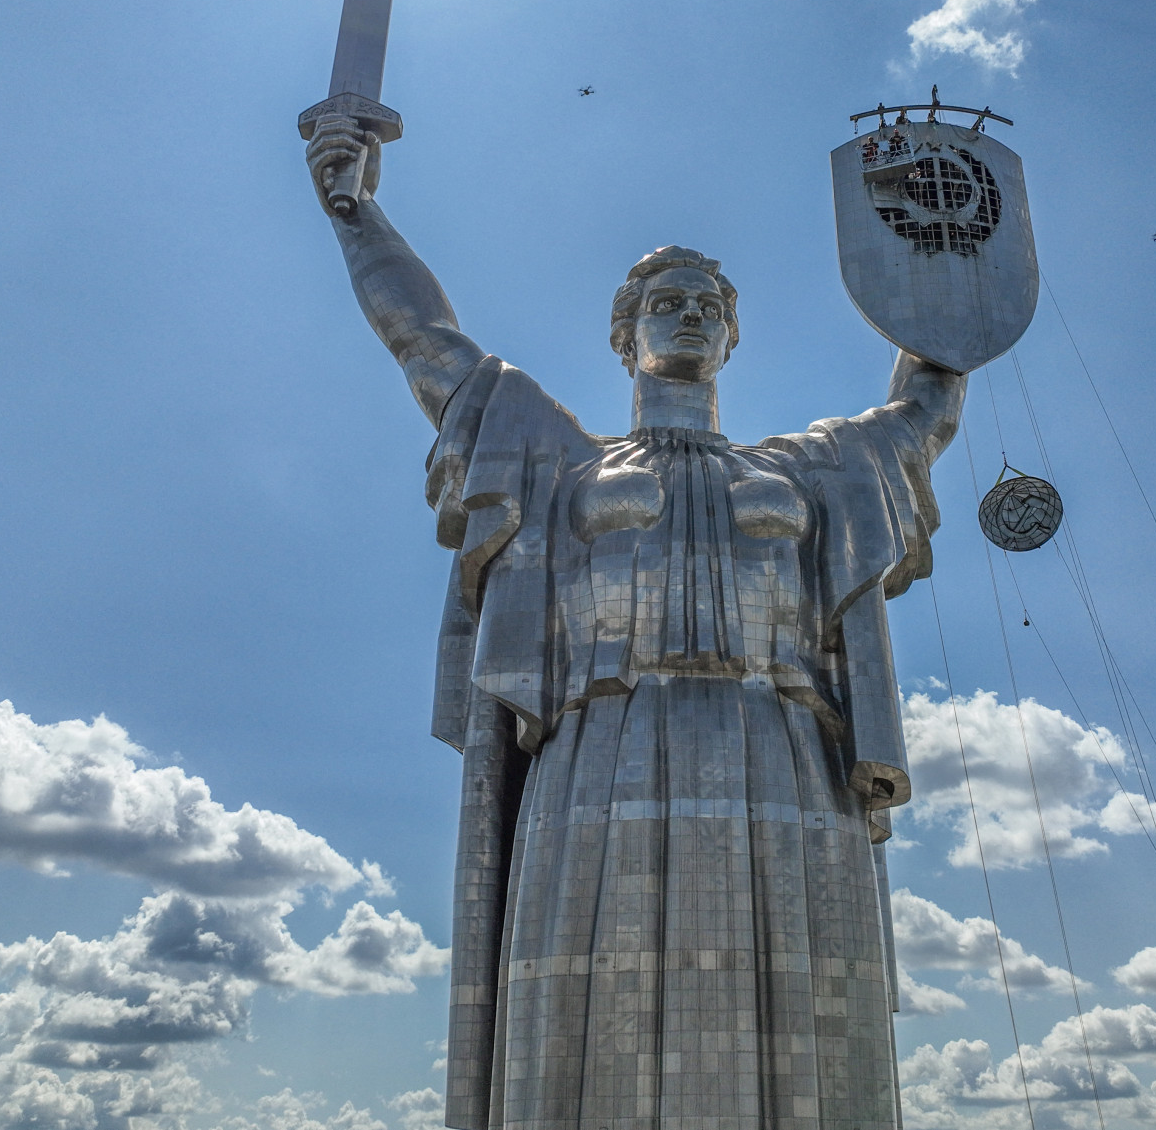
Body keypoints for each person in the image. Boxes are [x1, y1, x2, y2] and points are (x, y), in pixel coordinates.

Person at [306, 116, 966, 1130]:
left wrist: (945, 264)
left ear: (734, 335)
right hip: (603, 754)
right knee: (586, 1011)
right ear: (626, 333)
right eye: (668, 304)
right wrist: (355, 212)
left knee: (804, 1025)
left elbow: (926, 404)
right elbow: (427, 345)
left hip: (782, 750)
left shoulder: (808, 471)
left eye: (709, 306)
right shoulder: (560, 460)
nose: (691, 318)